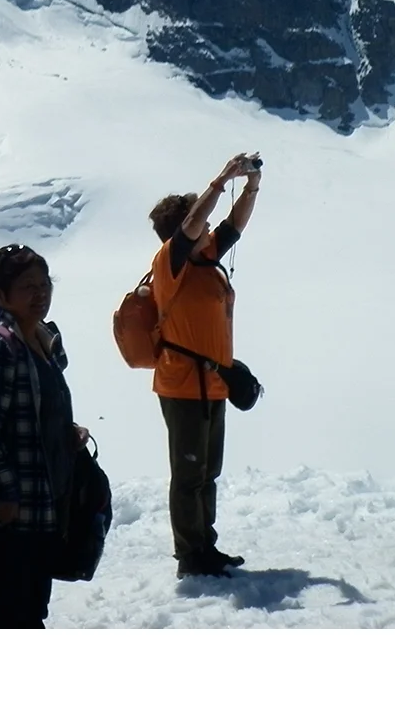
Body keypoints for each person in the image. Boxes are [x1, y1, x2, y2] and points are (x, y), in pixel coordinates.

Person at [0, 244, 85, 629]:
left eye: (44, 284)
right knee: (11, 610)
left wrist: (66, 432)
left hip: (40, 498)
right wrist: (4, 493)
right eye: (28, 286)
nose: (40, 294)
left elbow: (35, 407)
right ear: (1, 294)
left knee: (31, 607)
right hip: (10, 506)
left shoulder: (40, 340)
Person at [146, 152, 262, 578]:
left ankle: (204, 546)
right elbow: (198, 221)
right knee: (189, 472)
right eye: (200, 224)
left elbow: (235, 224)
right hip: (181, 385)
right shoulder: (170, 262)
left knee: (206, 472)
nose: (209, 229)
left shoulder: (203, 258)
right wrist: (220, 180)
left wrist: (250, 185)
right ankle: (190, 555)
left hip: (212, 384)